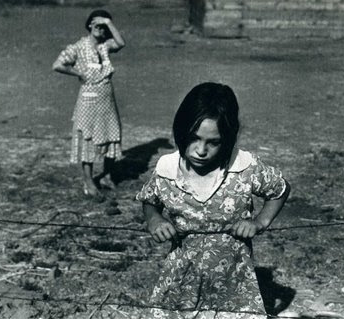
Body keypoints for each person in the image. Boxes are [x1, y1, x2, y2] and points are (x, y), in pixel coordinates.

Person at [136, 82, 291, 318]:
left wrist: (259, 222)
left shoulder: (244, 168)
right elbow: (150, 199)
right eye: (194, 138)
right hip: (181, 280)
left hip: (233, 282)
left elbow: (280, 189)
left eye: (213, 142)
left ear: (227, 139)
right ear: (181, 130)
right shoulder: (167, 169)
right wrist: (154, 219)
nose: (200, 150)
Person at [52, 10, 125, 200]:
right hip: (88, 99)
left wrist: (109, 22)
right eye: (98, 26)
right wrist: (78, 73)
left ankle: (108, 175)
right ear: (90, 25)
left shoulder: (105, 46)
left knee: (111, 134)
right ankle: (88, 181)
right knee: (88, 140)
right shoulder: (78, 47)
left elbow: (121, 43)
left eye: (104, 27)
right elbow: (58, 65)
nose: (101, 30)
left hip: (107, 98)